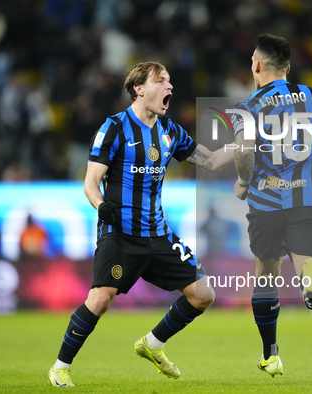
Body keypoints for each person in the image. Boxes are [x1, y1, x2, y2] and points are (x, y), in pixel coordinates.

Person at [48, 61, 233, 387]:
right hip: (120, 233)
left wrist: (243, 144)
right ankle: (60, 366)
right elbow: (91, 182)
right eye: (161, 81)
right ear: (138, 88)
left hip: (158, 234)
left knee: (203, 294)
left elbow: (213, 161)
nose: (169, 87)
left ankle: (153, 344)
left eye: (170, 81)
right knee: (100, 299)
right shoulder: (115, 128)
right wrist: (101, 206)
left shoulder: (170, 132)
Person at [232, 34, 312, 377]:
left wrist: (242, 182)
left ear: (257, 65)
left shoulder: (248, 107)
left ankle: (270, 353)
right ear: (288, 67)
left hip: (266, 203)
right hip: (308, 199)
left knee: (266, 274)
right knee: (306, 262)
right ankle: (310, 274)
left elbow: (243, 153)